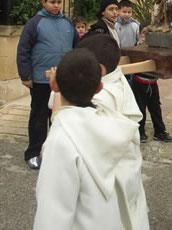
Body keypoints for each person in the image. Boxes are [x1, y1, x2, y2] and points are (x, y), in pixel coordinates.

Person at [33, 47, 149, 230]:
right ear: (99, 87)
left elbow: (52, 216)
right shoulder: (114, 124)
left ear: (54, 85)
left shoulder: (61, 141)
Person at [16, 0, 76, 170]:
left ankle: (56, 153)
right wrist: (25, 75)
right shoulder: (35, 23)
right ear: (43, 2)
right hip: (41, 80)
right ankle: (34, 153)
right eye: (52, 2)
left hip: (63, 80)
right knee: (39, 118)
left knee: (60, 118)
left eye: (59, 2)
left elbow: (76, 49)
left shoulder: (68, 23)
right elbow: (23, 50)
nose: (56, 5)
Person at [131, 24, 172, 143]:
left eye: (151, 33)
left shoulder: (156, 47)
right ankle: (140, 132)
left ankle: (160, 131)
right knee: (140, 108)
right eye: (144, 33)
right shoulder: (137, 47)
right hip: (139, 82)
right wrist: (141, 44)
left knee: (155, 108)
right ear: (140, 34)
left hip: (152, 83)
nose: (147, 36)